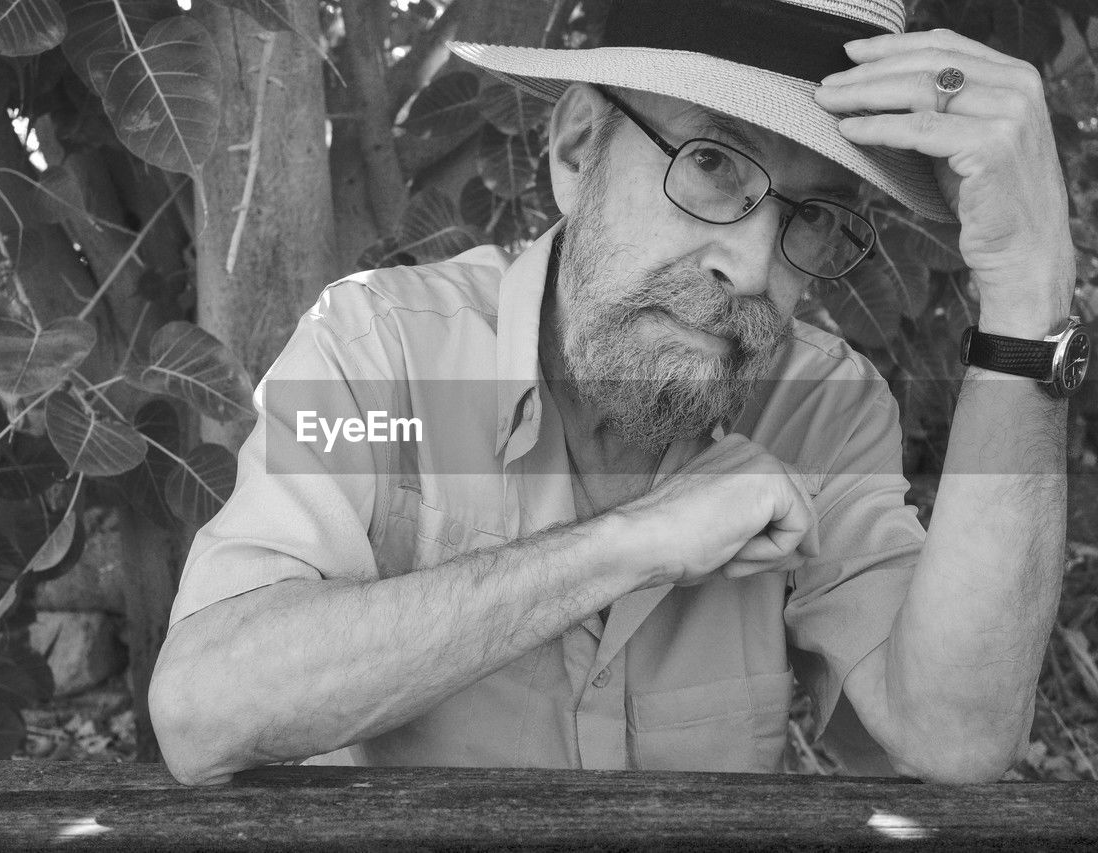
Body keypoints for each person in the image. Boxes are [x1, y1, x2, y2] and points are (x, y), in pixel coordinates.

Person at [149, 0, 1086, 785]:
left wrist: (1029, 293)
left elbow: (954, 736)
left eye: (814, 216)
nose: (752, 267)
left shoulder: (821, 411)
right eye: (714, 162)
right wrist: (627, 544)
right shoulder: (384, 357)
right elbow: (205, 707)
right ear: (576, 148)